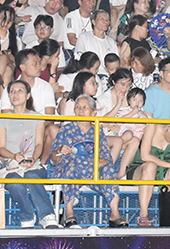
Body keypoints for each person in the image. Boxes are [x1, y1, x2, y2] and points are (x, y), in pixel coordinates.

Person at [49, 95, 125, 228]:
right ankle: (69, 213)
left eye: (85, 107)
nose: (80, 110)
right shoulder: (66, 130)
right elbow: (53, 159)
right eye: (78, 107)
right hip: (71, 170)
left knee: (108, 170)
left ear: (93, 112)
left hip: (91, 171)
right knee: (71, 166)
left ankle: (115, 214)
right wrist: (60, 150)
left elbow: (107, 158)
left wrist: (102, 162)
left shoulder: (97, 131)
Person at [0, 80, 57, 228]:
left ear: (28, 95)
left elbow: (38, 144)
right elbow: (1, 148)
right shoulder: (3, 118)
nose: (15, 94)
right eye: (12, 92)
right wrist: (13, 156)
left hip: (32, 163)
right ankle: (27, 215)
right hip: (11, 164)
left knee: (32, 175)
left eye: (20, 91)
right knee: (14, 181)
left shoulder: (37, 117)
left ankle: (47, 216)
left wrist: (33, 159)